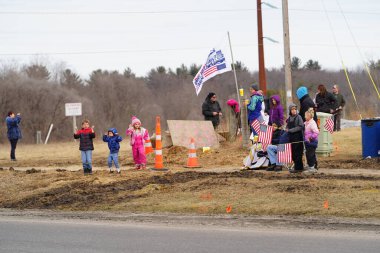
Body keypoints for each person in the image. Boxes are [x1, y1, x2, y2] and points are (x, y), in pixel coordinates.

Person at [286, 103, 304, 173]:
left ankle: (298, 168)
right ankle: (297, 167)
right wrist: (287, 128)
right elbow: (287, 125)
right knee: (293, 153)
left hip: (298, 138)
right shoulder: (289, 118)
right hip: (291, 138)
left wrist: (290, 130)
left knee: (298, 154)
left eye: (295, 109)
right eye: (292, 109)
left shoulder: (298, 117)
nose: (294, 111)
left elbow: (301, 126)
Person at [304, 108, 319, 174]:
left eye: (306, 116)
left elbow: (316, 132)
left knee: (310, 155)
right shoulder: (306, 123)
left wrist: (310, 138)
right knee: (309, 154)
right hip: (307, 143)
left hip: (312, 142)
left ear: (309, 116)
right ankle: (313, 166)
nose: (305, 117)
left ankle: (311, 167)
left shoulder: (312, 123)